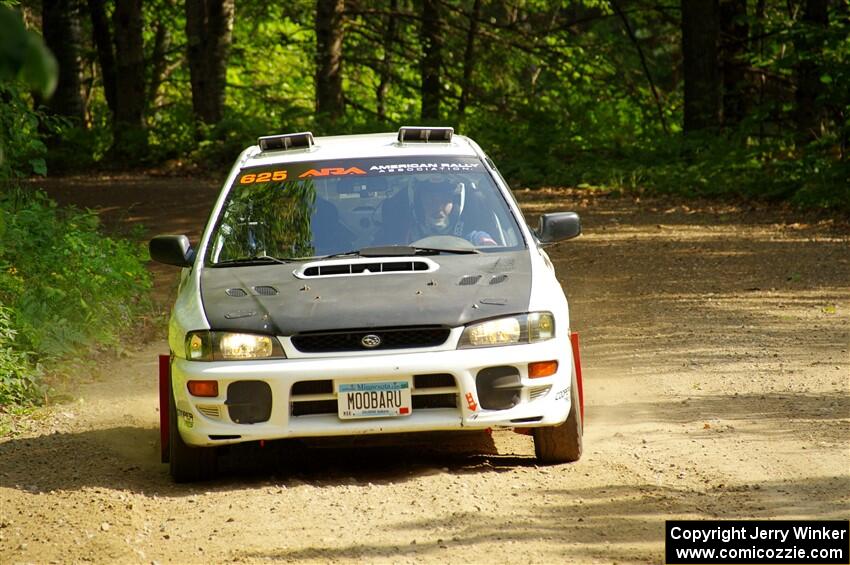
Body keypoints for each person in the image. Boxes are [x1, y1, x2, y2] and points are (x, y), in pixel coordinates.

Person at [411, 178, 497, 246]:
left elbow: (478, 238)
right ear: (419, 204)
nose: (437, 207)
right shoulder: (410, 235)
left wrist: (486, 243)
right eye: (430, 200)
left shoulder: (467, 233)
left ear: (455, 203)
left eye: (444, 200)